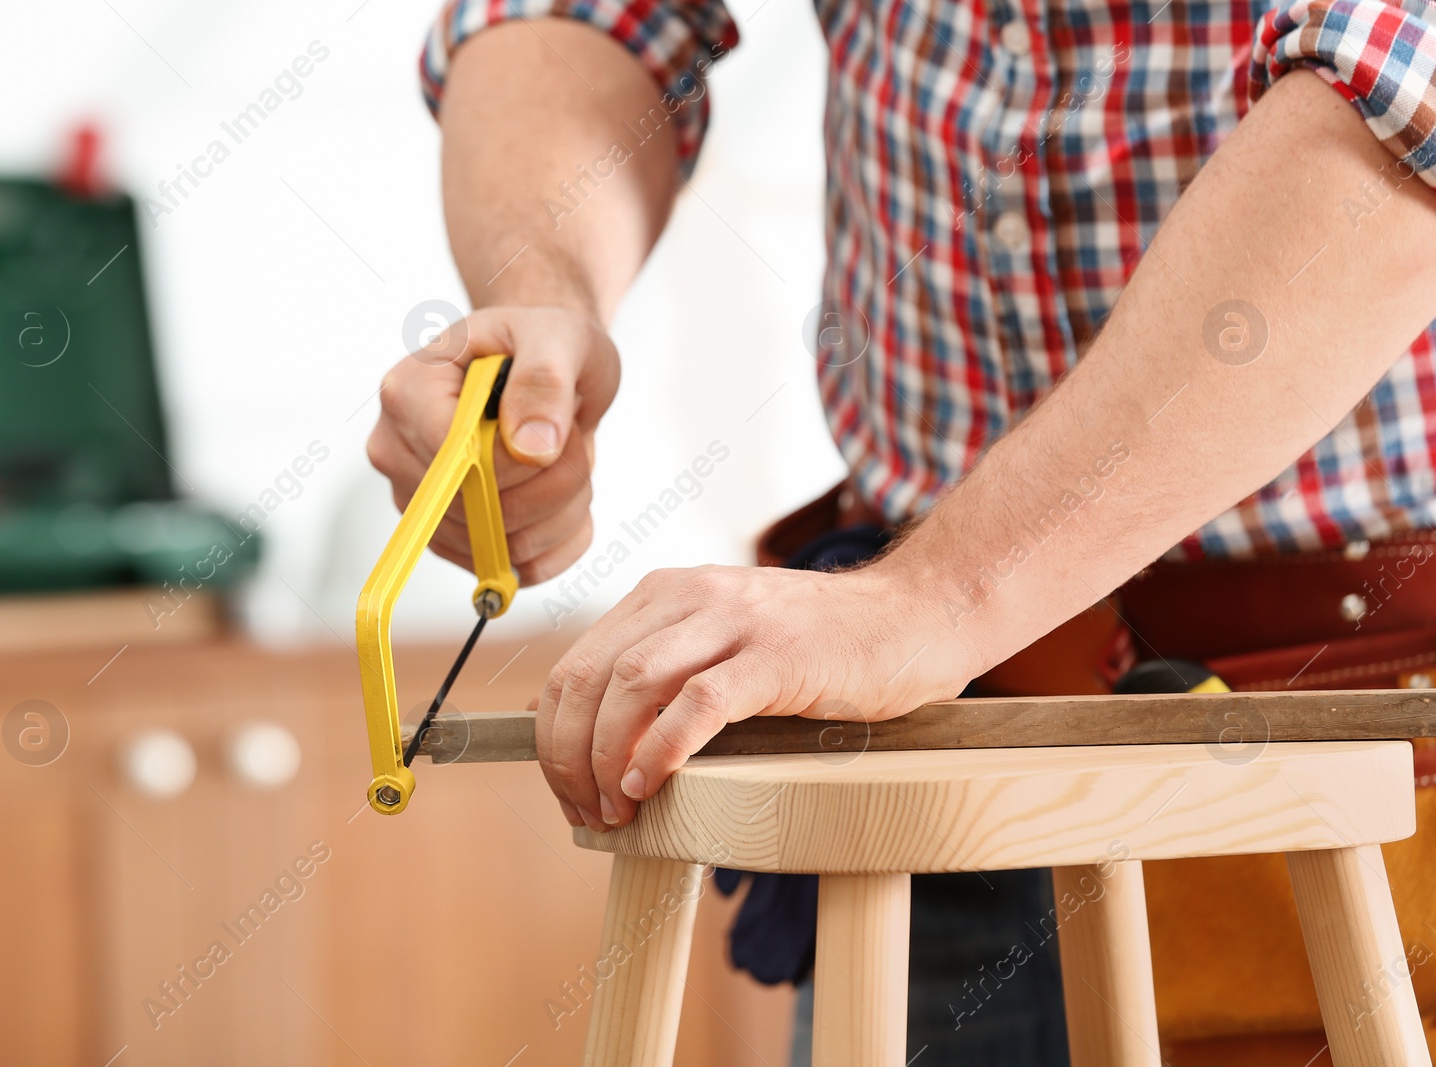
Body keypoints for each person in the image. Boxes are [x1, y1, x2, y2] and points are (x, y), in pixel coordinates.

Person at [368, 0, 1436, 1061]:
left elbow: (1399, 102)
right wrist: (546, 303)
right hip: (916, 759)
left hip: (1336, 757)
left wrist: (940, 596)